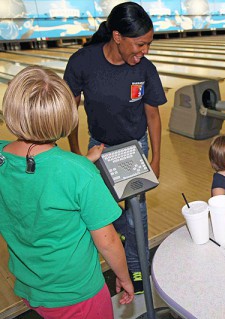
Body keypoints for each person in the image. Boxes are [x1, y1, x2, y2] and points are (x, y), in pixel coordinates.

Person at [0, 65, 134, 319]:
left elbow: (37, 178)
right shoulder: (78, 173)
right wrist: (124, 277)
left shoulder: (2, 156)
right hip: (76, 295)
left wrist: (81, 163)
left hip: (31, 286)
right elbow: (108, 242)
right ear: (65, 115)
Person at [63, 1, 167, 294]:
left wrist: (156, 158)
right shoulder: (83, 61)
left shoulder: (145, 69)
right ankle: (122, 241)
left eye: (148, 44)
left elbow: (153, 115)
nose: (144, 51)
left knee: (138, 215)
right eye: (139, 44)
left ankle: (138, 269)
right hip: (100, 148)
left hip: (135, 147)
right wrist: (75, 153)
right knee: (100, 210)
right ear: (118, 36)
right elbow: (71, 112)